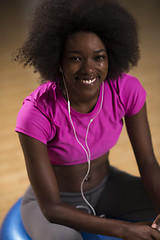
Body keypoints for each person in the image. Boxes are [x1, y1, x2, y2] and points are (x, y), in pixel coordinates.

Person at [14, 0, 160, 239]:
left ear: (110, 56)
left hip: (109, 189)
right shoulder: (36, 112)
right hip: (54, 204)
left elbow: (148, 163)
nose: (89, 69)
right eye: (75, 58)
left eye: (98, 57)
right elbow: (51, 208)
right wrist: (124, 229)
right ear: (58, 62)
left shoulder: (126, 90)